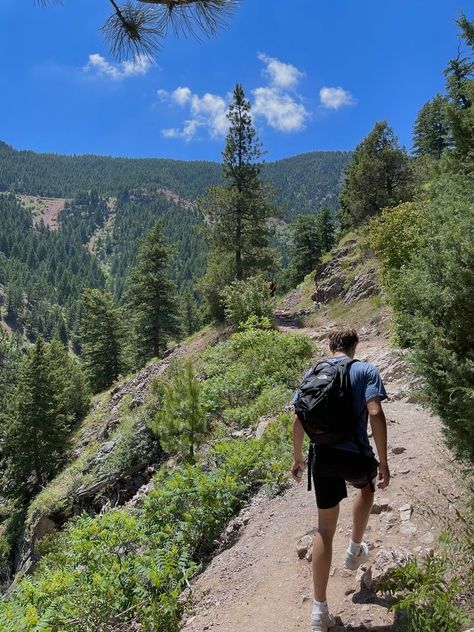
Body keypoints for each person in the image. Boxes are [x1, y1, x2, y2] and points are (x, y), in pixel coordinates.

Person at [291, 326, 390, 632]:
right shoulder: (365, 370)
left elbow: (297, 419)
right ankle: (355, 549)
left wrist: (297, 458)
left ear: (330, 345)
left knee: (324, 528)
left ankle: (319, 612)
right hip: (355, 454)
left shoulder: (313, 373)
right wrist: (383, 460)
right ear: (354, 346)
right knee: (366, 487)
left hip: (322, 457)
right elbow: (374, 412)